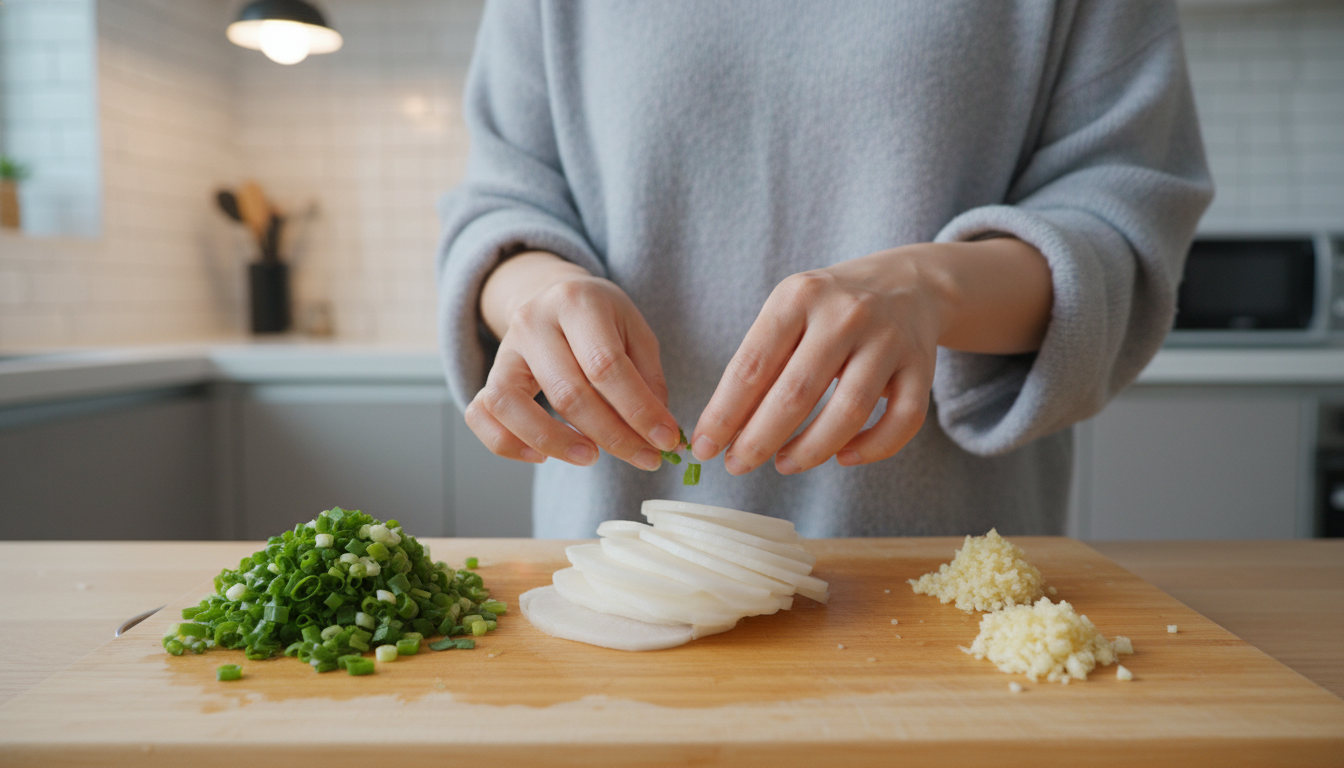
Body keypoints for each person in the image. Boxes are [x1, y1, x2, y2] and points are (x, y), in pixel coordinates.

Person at [436, 1, 1213, 539]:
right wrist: (541, 293)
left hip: (939, 577)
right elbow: (502, 202)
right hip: (610, 564)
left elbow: (1121, 229)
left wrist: (930, 290)